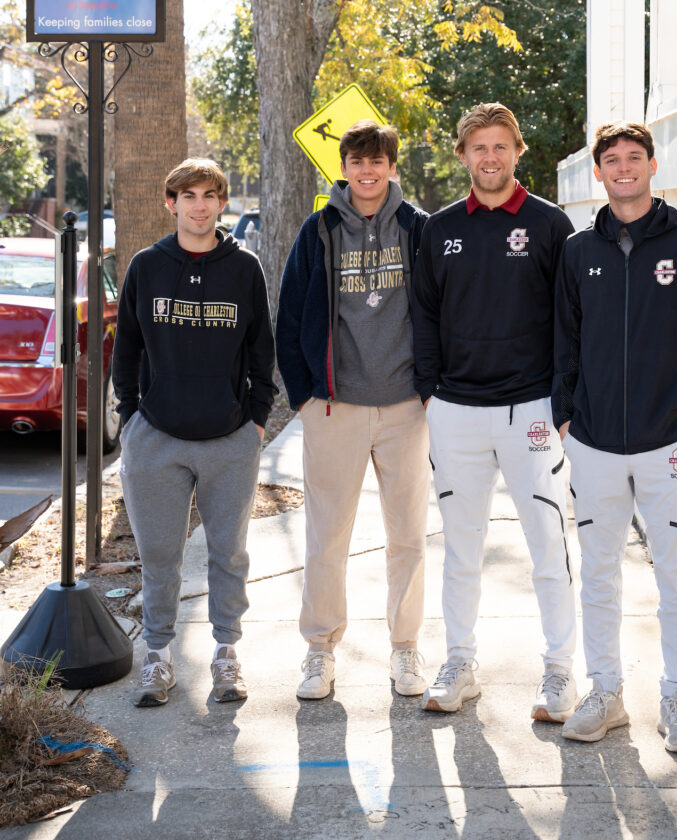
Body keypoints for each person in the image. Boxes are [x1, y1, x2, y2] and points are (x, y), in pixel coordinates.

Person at [555, 121, 677, 752]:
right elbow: (565, 343)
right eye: (612, 160)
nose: (623, 168)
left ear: (653, 166)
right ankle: (605, 693)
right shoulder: (578, 252)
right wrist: (565, 419)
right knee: (598, 575)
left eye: (634, 158)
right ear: (598, 173)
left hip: (673, 443)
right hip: (594, 442)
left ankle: (676, 698)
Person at [412, 102, 578, 721]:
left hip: (531, 409)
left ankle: (560, 670)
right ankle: (460, 661)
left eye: (500, 146)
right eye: (478, 147)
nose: (490, 157)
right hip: (455, 411)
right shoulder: (439, 229)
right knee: (461, 547)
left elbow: (569, 319)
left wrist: (561, 402)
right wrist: (431, 392)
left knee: (548, 545)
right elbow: (424, 316)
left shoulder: (549, 224)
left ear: (517, 152)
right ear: (462, 155)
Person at [276, 119, 430, 701]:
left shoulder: (418, 230)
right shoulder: (318, 231)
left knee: (408, 536)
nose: (367, 171)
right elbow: (290, 317)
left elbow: (438, 311)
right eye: (357, 161)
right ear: (342, 168)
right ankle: (319, 651)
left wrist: (429, 387)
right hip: (335, 408)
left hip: (405, 407)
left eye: (377, 160)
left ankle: (406, 650)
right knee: (327, 535)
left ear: (392, 166)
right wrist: (306, 399)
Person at [113, 158, 276, 707]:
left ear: (221, 203)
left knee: (229, 553)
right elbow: (127, 347)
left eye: (210, 195)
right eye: (189, 196)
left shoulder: (243, 268)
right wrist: (131, 417)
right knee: (160, 556)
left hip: (229, 439)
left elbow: (261, 351)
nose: (200, 205)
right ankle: (157, 658)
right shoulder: (146, 266)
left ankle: (227, 655)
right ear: (172, 203)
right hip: (156, 437)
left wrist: (255, 420)